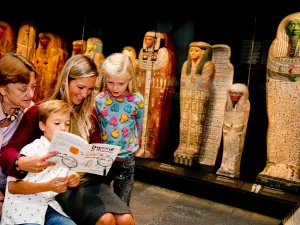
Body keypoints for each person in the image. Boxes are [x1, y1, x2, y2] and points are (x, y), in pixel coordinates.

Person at [0, 54, 135, 225]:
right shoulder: (41, 111)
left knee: (126, 219)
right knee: (105, 220)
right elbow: (9, 150)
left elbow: (97, 150)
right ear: (66, 81)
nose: (85, 94)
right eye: (80, 87)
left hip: (89, 181)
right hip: (61, 184)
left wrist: (100, 161)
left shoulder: (90, 114)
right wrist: (21, 162)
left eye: (90, 89)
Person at [1, 99, 79, 225]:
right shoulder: (30, 150)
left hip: (48, 208)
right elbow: (13, 187)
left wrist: (72, 177)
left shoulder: (65, 152)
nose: (63, 128)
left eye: (67, 124)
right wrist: (48, 186)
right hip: (22, 212)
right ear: (42, 126)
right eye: (57, 123)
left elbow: (68, 172)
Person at [95, 53, 144, 206]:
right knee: (101, 203)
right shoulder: (100, 99)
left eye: (121, 83)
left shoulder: (137, 100)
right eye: (110, 82)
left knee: (122, 205)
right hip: (103, 158)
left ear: (130, 79)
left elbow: (138, 125)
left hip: (126, 159)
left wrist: (132, 145)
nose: (115, 88)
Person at [0, 53, 37, 218]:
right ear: (2, 88)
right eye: (23, 88)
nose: (30, 94)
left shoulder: (30, 111)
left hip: (14, 185)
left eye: (34, 87)